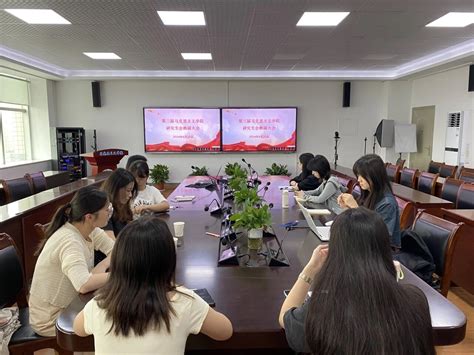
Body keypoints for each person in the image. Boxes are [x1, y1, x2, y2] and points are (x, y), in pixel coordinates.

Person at [279, 207, 435, 355]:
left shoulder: (322, 309)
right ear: (385, 249)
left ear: (336, 251)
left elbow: (285, 318)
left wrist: (310, 270)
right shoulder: (416, 299)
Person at [73, 217, 233, 354]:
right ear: (169, 260)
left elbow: (78, 329)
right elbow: (225, 331)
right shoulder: (184, 302)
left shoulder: (100, 303)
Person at [29, 186, 114, 336]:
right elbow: (83, 284)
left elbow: (116, 251)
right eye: (107, 209)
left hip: (73, 304)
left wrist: (101, 266)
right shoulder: (70, 240)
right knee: (109, 323)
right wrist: (123, 275)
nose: (110, 212)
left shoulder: (90, 229)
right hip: (51, 317)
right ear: (89, 217)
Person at [337, 154, 401, 248]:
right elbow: (358, 227)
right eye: (358, 175)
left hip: (380, 253)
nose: (359, 180)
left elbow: (377, 236)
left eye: (362, 176)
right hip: (364, 245)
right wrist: (347, 208)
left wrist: (355, 208)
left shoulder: (387, 203)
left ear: (375, 176)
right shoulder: (368, 193)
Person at [102, 168, 137, 238]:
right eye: (128, 190)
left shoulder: (123, 206)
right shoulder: (105, 209)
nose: (130, 195)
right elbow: (110, 243)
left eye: (131, 191)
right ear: (116, 189)